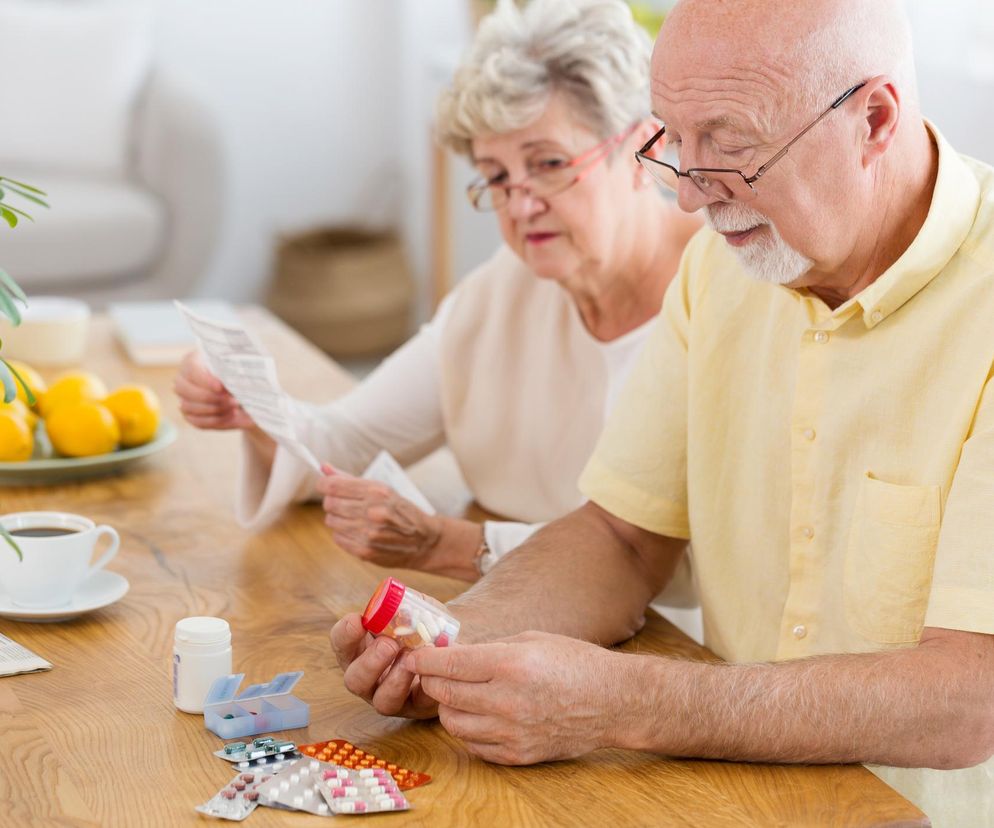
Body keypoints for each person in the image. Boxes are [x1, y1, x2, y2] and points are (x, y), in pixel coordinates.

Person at [330, 1, 994, 824]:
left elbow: (973, 698)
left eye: (734, 145)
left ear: (875, 119)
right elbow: (621, 535)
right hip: (716, 794)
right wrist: (455, 645)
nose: (689, 201)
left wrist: (630, 702)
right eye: (675, 143)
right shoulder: (724, 268)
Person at [174, 0, 700, 585]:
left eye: (548, 163)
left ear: (643, 149)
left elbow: (664, 560)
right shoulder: (503, 292)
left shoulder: (723, 295)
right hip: (523, 620)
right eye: (496, 177)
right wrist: (254, 405)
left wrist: (450, 544)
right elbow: (345, 445)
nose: (521, 206)